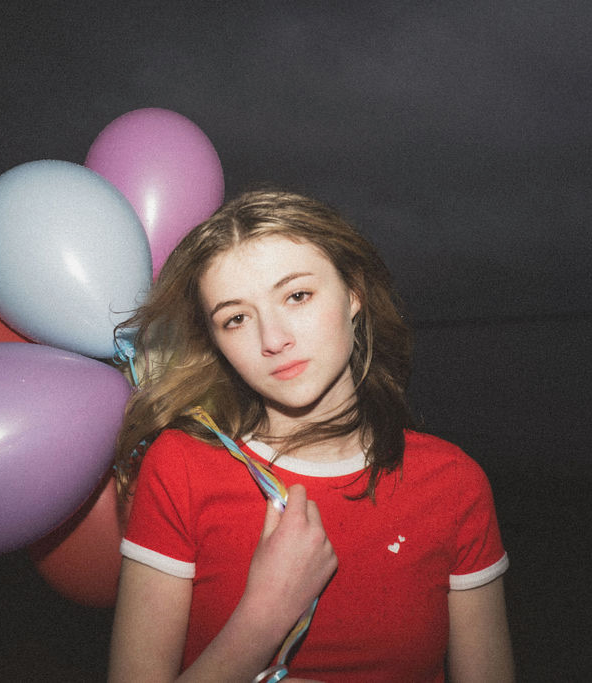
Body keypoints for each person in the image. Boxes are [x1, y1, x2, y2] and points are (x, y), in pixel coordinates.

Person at [108, 190, 513, 682]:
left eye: (297, 296)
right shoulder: (181, 469)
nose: (273, 339)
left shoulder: (452, 483)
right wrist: (263, 617)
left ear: (353, 293)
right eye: (236, 318)